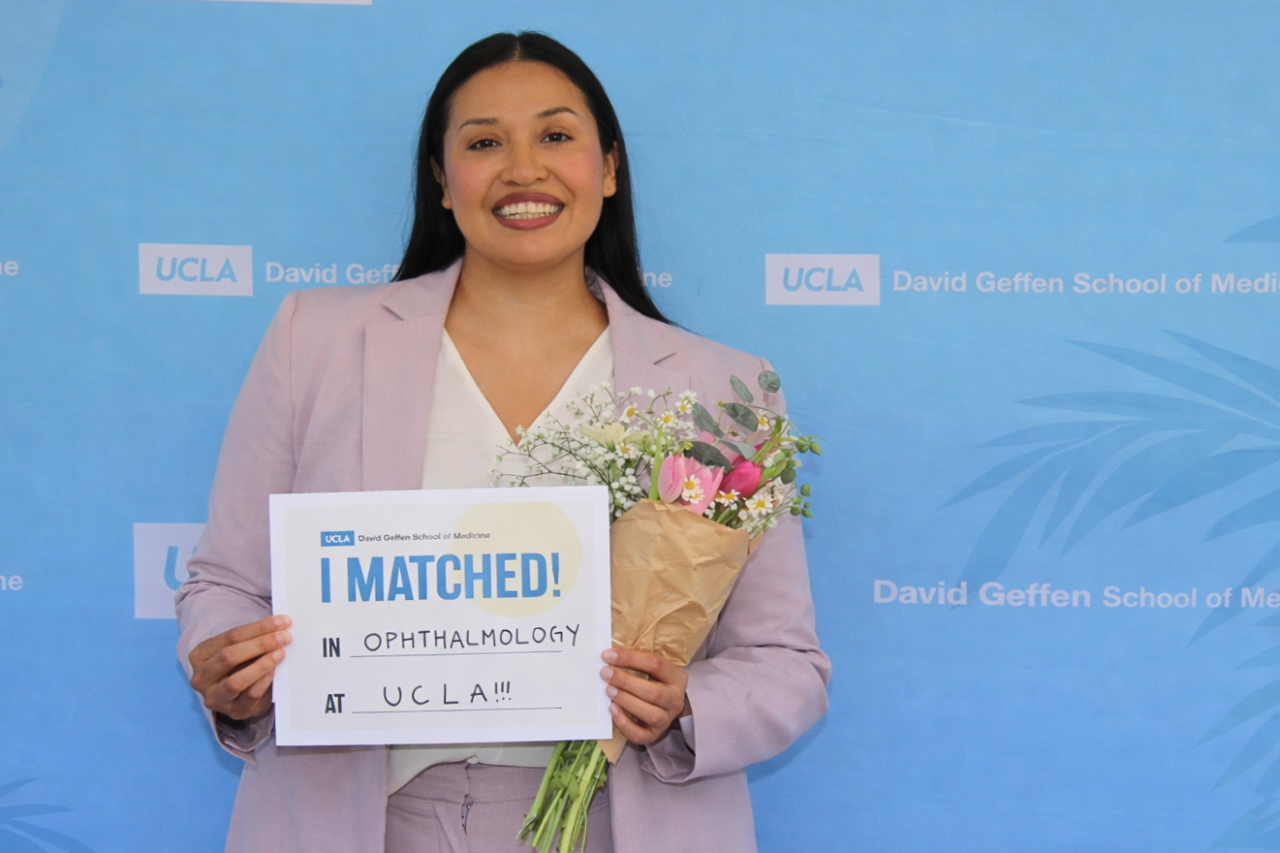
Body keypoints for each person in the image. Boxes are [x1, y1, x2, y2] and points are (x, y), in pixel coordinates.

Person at [176, 31, 829, 853]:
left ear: (611, 169)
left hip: (618, 820)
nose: (525, 169)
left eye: (556, 136)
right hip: (360, 816)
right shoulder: (317, 342)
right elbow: (226, 580)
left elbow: (786, 663)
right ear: (443, 182)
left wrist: (686, 704)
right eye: (484, 142)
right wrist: (229, 664)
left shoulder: (723, 392)